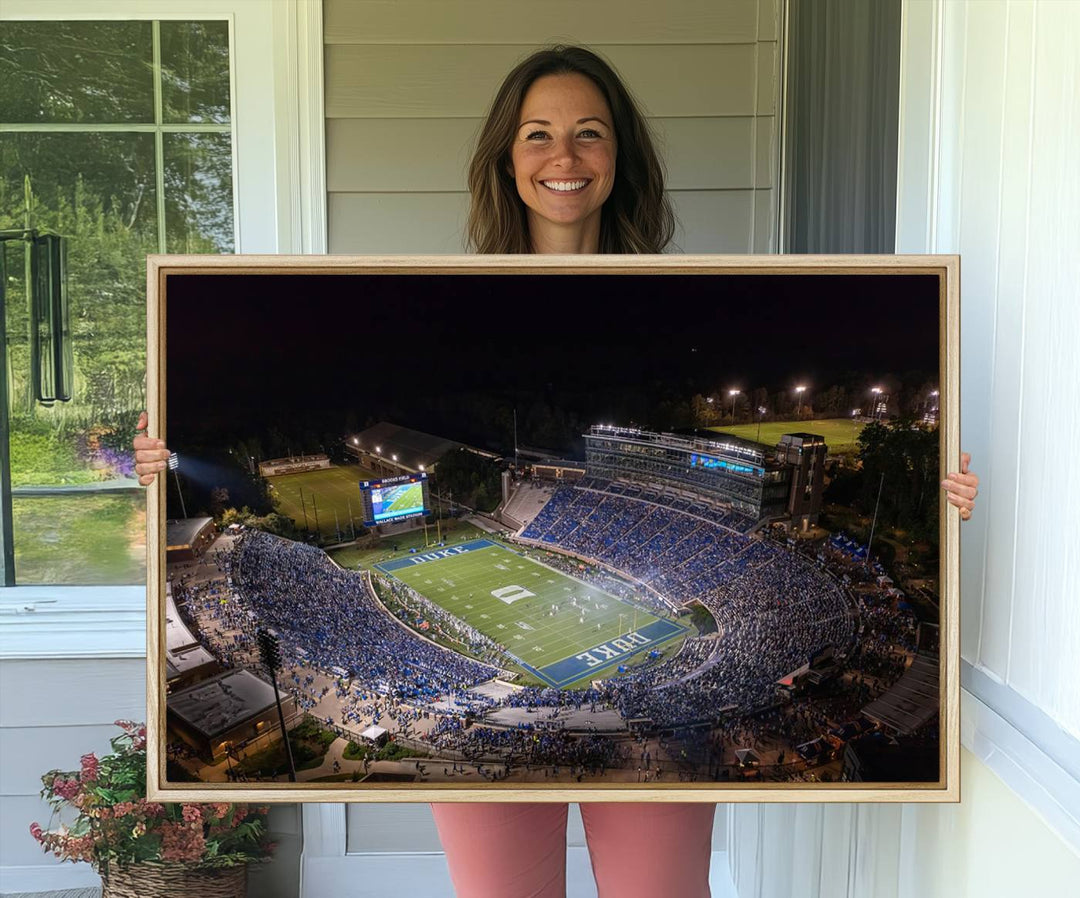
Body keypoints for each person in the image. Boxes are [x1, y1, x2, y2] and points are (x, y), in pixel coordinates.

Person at [135, 45, 979, 898]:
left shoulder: (676, 297)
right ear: (507, 157)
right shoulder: (446, 301)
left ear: (621, 157)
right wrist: (153, 465)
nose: (564, 157)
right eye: (538, 134)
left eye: (589, 133)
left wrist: (944, 500)